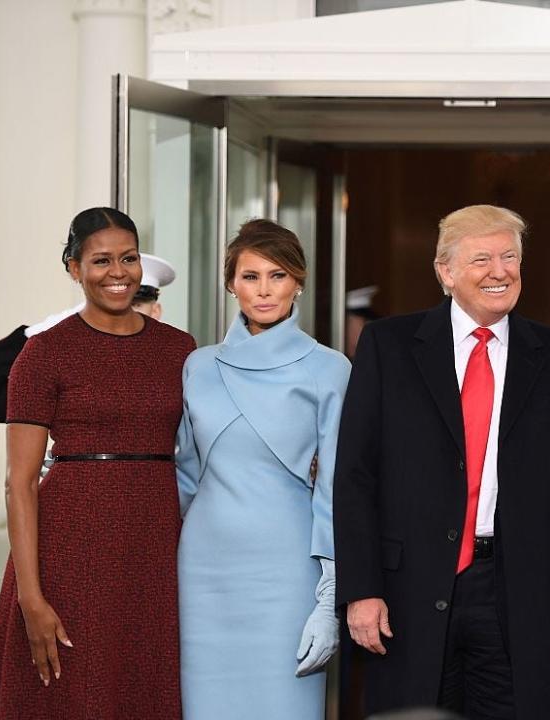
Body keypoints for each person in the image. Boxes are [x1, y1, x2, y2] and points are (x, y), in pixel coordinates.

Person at [334, 204, 550, 720]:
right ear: (446, 271)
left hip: (523, 591)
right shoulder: (388, 346)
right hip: (407, 592)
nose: (499, 271)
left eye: (509, 257)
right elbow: (356, 477)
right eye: (481, 259)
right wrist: (361, 589)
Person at [0, 208, 195, 720]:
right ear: (73, 268)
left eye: (128, 258)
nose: (118, 272)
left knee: (143, 684)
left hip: (155, 546)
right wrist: (32, 598)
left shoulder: (180, 349)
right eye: (100, 261)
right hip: (69, 547)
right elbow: (21, 484)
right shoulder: (43, 354)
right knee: (71, 692)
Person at [176, 219, 351, 720]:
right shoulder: (199, 365)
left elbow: (335, 488)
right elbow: (184, 476)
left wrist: (329, 597)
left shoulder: (329, 368)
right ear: (230, 283)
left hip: (287, 572)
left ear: (298, 281)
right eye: (250, 276)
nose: (264, 290)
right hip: (203, 572)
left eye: (277, 276)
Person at [0, 252, 177, 424]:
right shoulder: (70, 376)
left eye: (136, 305)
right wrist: (35, 333)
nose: (123, 313)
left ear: (155, 312)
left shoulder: (176, 363)